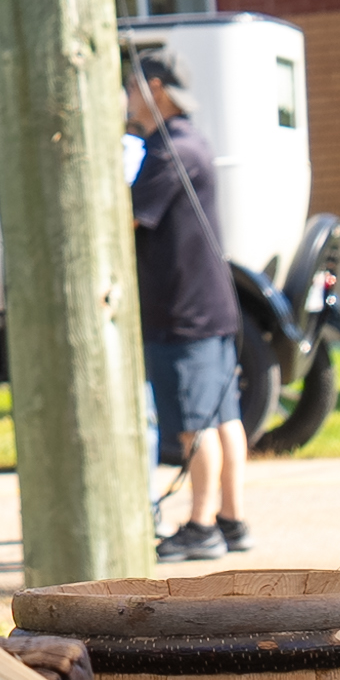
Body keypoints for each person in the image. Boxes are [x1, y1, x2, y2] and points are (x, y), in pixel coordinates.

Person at [126, 49, 249, 560]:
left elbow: (130, 218)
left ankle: (201, 526)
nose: (127, 100)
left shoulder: (167, 151)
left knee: (194, 423)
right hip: (211, 304)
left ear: (155, 89)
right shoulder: (192, 142)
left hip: (182, 310)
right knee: (224, 418)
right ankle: (232, 518)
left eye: (131, 88)